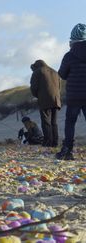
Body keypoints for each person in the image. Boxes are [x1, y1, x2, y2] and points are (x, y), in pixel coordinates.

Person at [56, 23, 86, 160]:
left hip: (74, 95)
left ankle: (67, 150)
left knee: (70, 122)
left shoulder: (69, 55)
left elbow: (62, 74)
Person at [30, 59, 61, 147]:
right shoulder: (55, 71)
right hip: (56, 99)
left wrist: (38, 96)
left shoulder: (37, 72)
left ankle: (48, 142)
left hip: (44, 99)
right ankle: (55, 142)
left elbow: (33, 88)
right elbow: (59, 87)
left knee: (46, 122)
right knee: (54, 122)